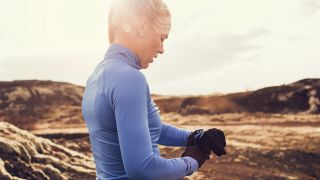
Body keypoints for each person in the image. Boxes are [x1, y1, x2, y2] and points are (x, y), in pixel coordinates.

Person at [81, 0, 227, 179]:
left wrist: (196, 137)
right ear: (142, 26)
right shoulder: (129, 78)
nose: (161, 49)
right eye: (162, 38)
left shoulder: (95, 77)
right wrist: (192, 161)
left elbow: (149, 129)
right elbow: (143, 170)